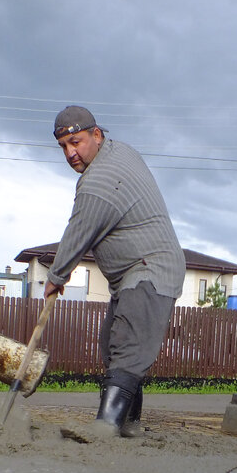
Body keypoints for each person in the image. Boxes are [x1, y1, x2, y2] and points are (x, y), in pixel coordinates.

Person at [45, 106, 185, 439]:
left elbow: (79, 232)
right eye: (63, 146)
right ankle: (129, 424)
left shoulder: (99, 182)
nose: (70, 153)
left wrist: (56, 277)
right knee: (112, 343)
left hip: (151, 268)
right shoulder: (120, 151)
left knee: (127, 344)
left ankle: (106, 425)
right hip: (132, 275)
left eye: (75, 142)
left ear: (96, 134)